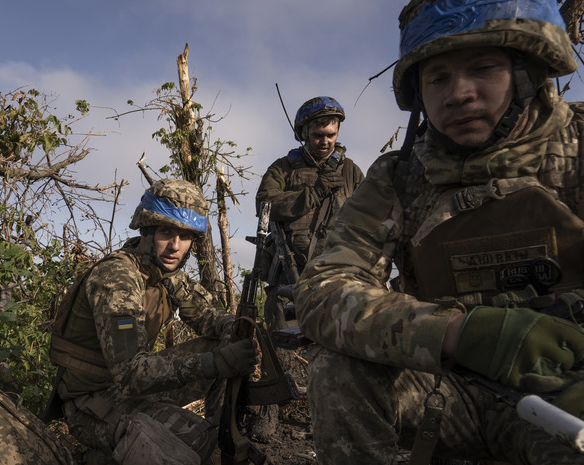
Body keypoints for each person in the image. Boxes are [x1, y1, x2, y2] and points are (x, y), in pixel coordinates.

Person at [295, 0, 584, 464]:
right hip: (449, 388)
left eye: (484, 68)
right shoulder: (400, 176)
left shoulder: (577, 146)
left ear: (525, 71)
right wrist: (455, 332)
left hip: (563, 396)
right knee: (337, 368)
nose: (459, 94)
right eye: (438, 78)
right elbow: (321, 289)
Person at [47, 179, 258, 465]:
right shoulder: (116, 278)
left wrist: (234, 328)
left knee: (224, 345)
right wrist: (215, 362)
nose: (175, 246)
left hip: (128, 388)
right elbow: (132, 373)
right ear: (146, 230)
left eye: (185, 236)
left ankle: (225, 437)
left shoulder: (165, 274)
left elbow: (209, 314)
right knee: (193, 444)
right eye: (166, 232)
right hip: (90, 402)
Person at [256, 96, 363, 331]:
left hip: (341, 279)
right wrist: (313, 193)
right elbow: (264, 205)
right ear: (304, 133)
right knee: (285, 353)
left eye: (331, 135)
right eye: (318, 135)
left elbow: (370, 219)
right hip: (288, 278)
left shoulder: (351, 172)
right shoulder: (282, 168)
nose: (325, 141)